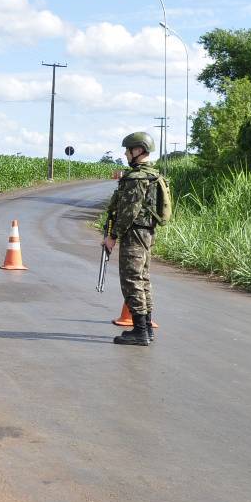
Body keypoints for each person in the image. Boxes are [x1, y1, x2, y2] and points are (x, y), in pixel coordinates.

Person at [101, 132, 172, 347]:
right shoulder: (152, 174)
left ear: (138, 150)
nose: (125, 153)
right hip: (146, 232)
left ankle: (140, 331)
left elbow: (129, 211)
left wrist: (113, 236)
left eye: (128, 149)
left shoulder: (136, 178)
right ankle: (146, 328)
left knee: (132, 279)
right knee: (142, 278)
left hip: (134, 232)